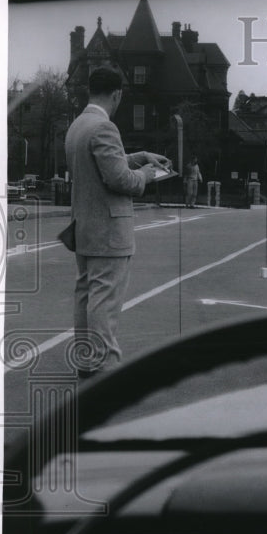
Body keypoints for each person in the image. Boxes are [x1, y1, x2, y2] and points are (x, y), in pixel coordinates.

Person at [65, 66, 171, 378]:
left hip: (83, 226)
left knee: (85, 293)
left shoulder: (78, 125)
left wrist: (140, 156)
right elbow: (120, 180)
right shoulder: (105, 128)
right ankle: (105, 363)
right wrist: (149, 175)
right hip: (109, 230)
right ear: (117, 94)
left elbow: (103, 166)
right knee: (105, 299)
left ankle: (86, 359)